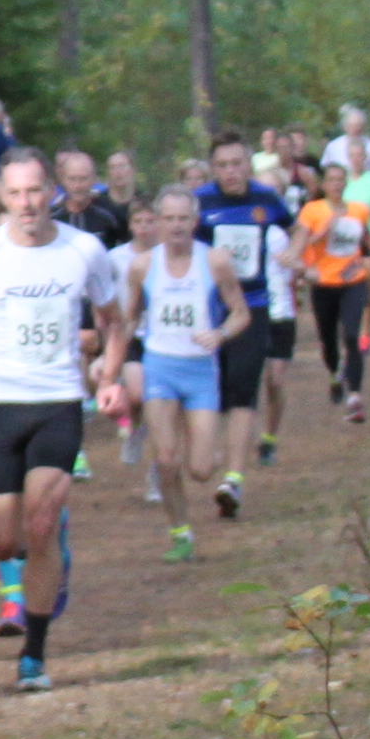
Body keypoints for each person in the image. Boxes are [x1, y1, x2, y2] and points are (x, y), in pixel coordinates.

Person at [0, 146, 110, 691]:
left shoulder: (85, 251)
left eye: (34, 191)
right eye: (15, 193)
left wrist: (109, 369)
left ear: (52, 192)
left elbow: (113, 314)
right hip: (0, 401)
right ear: (3, 198)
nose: (26, 203)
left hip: (58, 400)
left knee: (40, 528)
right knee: (0, 543)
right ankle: (36, 534)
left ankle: (34, 656)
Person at [119, 188, 246, 554]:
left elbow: (241, 312)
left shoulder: (216, 261)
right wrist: (113, 364)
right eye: (169, 219)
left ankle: (204, 449)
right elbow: (129, 321)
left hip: (200, 370)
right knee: (166, 459)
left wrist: (220, 334)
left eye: (183, 219)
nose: (176, 226)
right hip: (159, 366)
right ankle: (180, 532)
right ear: (157, 222)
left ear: (195, 221)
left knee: (201, 469)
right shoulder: (142, 266)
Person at [199, 135, 303, 474]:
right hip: (208, 306)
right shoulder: (199, 201)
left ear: (249, 165)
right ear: (213, 169)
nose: (230, 172)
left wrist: (293, 251)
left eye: (236, 164)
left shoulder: (265, 197)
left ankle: (234, 477)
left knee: (245, 388)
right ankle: (205, 449)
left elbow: (298, 228)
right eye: (222, 165)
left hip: (253, 303)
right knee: (213, 389)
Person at [296, 157, 370, 421]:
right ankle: (335, 373)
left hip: (352, 279)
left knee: (351, 335)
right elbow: (303, 242)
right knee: (328, 339)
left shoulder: (358, 210)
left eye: (340, 180)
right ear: (324, 184)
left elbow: (367, 237)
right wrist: (325, 229)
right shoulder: (312, 210)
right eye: (331, 180)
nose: (336, 184)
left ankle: (355, 396)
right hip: (323, 282)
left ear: (345, 183)